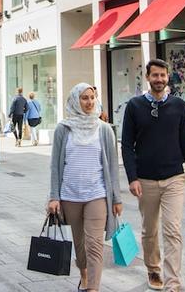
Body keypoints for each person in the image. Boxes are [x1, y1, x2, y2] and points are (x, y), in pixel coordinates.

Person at [121, 59, 185, 292]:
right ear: (147, 78)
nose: (159, 79)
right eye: (155, 75)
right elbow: (127, 145)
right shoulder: (134, 106)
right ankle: (153, 268)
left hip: (174, 178)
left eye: (163, 75)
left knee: (172, 230)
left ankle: (173, 282)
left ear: (168, 78)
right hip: (145, 180)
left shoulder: (178, 106)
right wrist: (132, 177)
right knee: (149, 230)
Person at [48, 83, 122, 292]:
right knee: (80, 245)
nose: (89, 102)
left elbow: (113, 167)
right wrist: (54, 196)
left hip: (97, 194)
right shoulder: (63, 129)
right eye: (84, 98)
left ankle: (93, 288)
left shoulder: (104, 130)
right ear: (74, 101)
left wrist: (116, 198)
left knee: (94, 245)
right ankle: (84, 274)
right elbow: (55, 165)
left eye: (92, 98)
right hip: (70, 195)